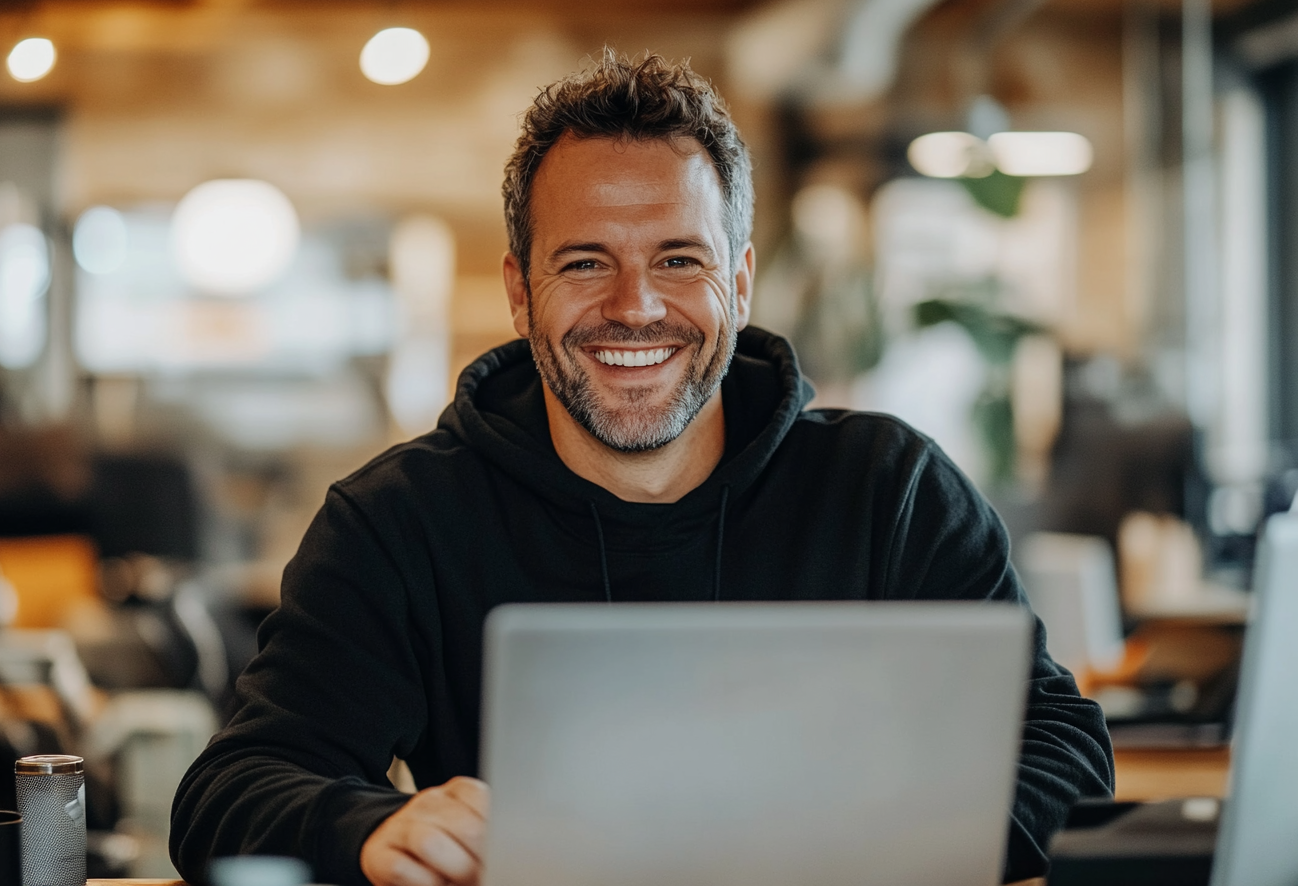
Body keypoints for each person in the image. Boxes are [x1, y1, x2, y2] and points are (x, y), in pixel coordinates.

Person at [171, 50, 1114, 886]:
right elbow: (228, 794)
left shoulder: (887, 489)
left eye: (677, 259)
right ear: (518, 290)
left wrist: (898, 850)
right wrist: (373, 828)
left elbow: (1061, 743)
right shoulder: (400, 519)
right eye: (584, 262)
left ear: (739, 286)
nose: (635, 307)